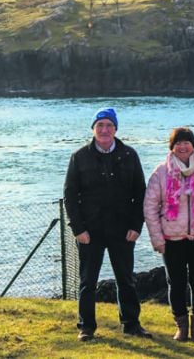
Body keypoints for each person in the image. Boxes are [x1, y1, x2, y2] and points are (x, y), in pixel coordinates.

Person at [63, 107, 151, 342]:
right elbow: (70, 196)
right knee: (87, 282)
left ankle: (131, 324)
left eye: (108, 125)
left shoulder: (129, 155)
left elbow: (140, 193)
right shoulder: (79, 157)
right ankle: (86, 327)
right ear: (93, 129)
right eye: (100, 125)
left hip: (123, 230)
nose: (104, 130)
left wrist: (136, 225)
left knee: (126, 280)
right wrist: (78, 229)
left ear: (115, 129)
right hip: (90, 232)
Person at [143, 127, 194, 342]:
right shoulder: (160, 172)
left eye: (187, 142)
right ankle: (181, 328)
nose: (183, 146)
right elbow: (150, 207)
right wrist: (157, 239)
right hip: (171, 239)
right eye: (178, 143)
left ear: (193, 145)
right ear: (172, 147)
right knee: (175, 283)